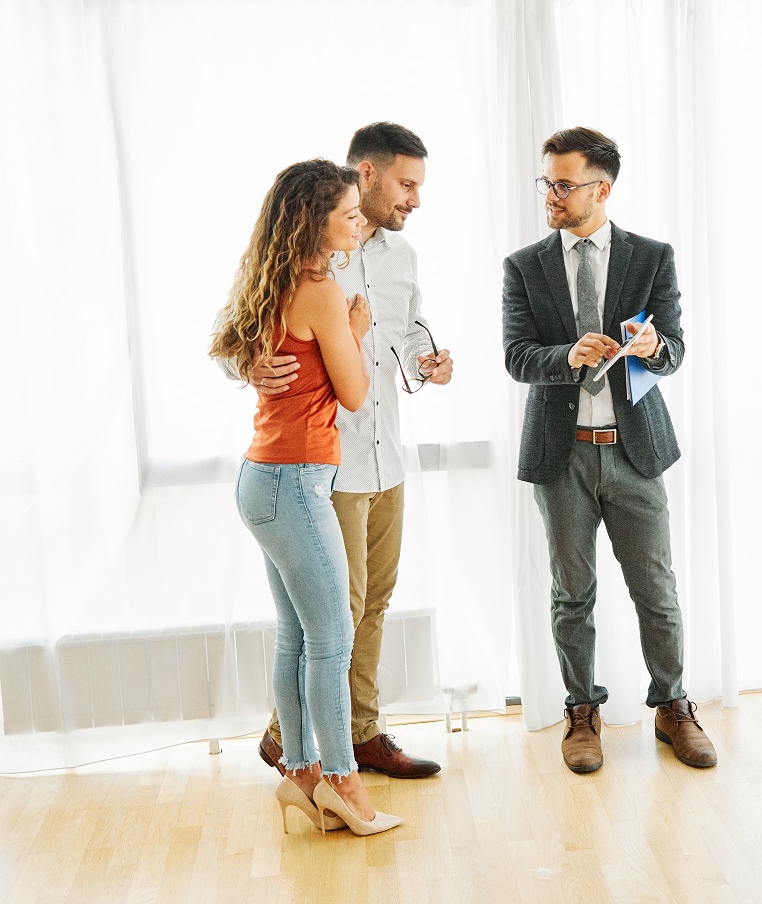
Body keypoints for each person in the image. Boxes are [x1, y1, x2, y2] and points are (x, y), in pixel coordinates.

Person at [501, 127, 717, 773]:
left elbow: (674, 350)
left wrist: (654, 349)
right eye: (548, 182)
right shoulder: (525, 266)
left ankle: (672, 705)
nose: (552, 195)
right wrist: (566, 355)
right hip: (560, 456)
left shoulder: (651, 257)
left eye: (564, 184)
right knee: (572, 594)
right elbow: (516, 358)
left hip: (635, 452)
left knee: (657, 591)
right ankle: (581, 711)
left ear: (603, 188)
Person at [250, 123, 452, 779]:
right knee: (333, 615)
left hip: (385, 457)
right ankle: (293, 738)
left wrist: (431, 357)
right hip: (323, 465)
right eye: (407, 183)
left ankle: (360, 733)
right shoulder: (308, 248)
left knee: (374, 602)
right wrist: (249, 365)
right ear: (366, 173)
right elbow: (246, 325)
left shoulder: (403, 258)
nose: (415, 199)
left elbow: (410, 326)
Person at [210, 159, 403, 836]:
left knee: (297, 633)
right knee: (332, 636)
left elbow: (231, 345)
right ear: (313, 221)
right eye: (349, 214)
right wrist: (355, 325)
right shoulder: (321, 291)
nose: (360, 221)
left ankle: (300, 776)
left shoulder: (269, 276)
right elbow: (353, 393)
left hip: (263, 478)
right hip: (293, 480)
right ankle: (346, 786)